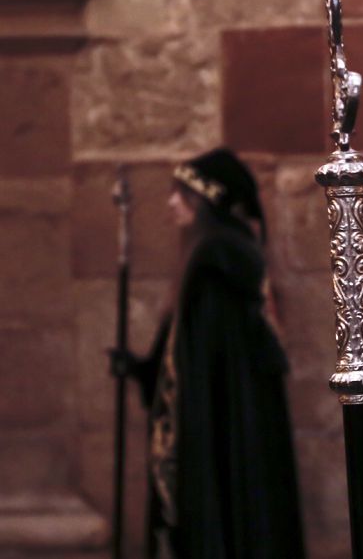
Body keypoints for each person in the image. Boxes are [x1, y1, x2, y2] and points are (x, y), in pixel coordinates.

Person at [110, 148, 306, 559]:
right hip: (211, 426)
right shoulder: (209, 266)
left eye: (183, 194)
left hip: (219, 434)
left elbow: (213, 373)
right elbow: (184, 361)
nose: (171, 203)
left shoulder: (217, 269)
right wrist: (143, 369)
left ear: (206, 202)